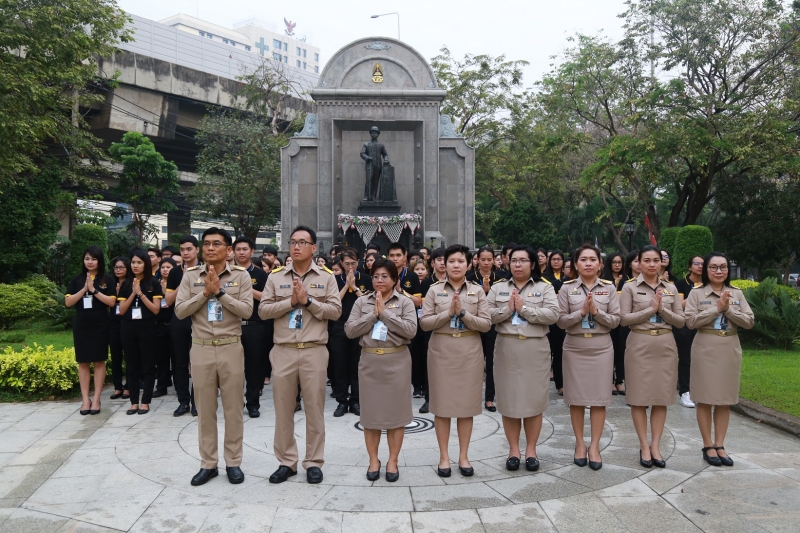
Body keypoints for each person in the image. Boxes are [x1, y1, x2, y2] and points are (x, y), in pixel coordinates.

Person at [259, 226, 342, 485]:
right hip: (283, 350)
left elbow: (335, 312)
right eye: (293, 242)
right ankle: (286, 461)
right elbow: (263, 311)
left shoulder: (326, 277)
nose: (296, 247)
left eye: (303, 242)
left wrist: (307, 302)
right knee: (283, 409)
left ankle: (314, 461)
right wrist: (291, 303)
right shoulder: (275, 277)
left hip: (314, 351)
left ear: (314, 248)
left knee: (314, 410)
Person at [175, 228, 253, 486]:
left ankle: (233, 462)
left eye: (216, 244)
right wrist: (205, 293)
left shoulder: (240, 277)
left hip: (231, 346)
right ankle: (208, 464)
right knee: (205, 410)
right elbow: (180, 311)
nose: (210, 248)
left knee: (233, 409)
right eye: (206, 244)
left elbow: (247, 311)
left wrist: (220, 292)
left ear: (228, 250)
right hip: (201, 348)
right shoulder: (190, 276)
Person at [420, 244, 491, 478]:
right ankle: (443, 456)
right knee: (442, 407)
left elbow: (486, 324)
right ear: (443, 264)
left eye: (461, 261)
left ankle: (463, 456)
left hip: (469, 351)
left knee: (465, 407)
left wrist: (462, 313)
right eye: (451, 261)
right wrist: (448, 313)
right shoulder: (433, 291)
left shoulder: (477, 291)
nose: (456, 265)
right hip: (442, 351)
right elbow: (425, 323)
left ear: (469, 264)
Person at [344, 258, 417, 482]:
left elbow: (410, 331)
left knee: (396, 415)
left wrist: (385, 313)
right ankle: (373, 459)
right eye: (375, 276)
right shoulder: (361, 302)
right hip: (369, 362)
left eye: (385, 276)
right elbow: (350, 330)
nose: (379, 280)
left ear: (395, 280)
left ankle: (392, 460)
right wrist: (373, 314)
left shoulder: (404, 302)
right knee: (371, 415)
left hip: (397, 362)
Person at [488, 246, 559, 471]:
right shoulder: (499, 287)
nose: (517, 265)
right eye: (514, 260)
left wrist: (525, 309)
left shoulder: (544, 287)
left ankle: (531, 450)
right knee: (509, 402)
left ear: (532, 264)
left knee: (533, 402)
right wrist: (508, 310)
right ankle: (513, 451)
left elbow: (553, 315)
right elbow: (486, 315)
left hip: (535, 348)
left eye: (523, 260)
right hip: (507, 348)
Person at [685, 252, 754, 467]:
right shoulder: (697, 293)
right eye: (713, 267)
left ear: (728, 270)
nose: (718, 271)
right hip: (705, 346)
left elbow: (749, 321)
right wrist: (716, 309)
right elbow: (690, 322)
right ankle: (707, 444)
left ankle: (720, 443)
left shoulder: (736, 293)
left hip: (729, 347)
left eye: (723, 267)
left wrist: (729, 310)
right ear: (706, 270)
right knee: (704, 398)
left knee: (725, 400)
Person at [620, 245, 685, 468]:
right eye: (646, 260)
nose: (651, 264)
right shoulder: (629, 287)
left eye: (655, 260)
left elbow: (680, 320)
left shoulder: (671, 288)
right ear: (638, 263)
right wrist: (650, 309)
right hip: (639, 343)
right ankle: (644, 445)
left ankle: (656, 445)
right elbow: (624, 319)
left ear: (661, 263)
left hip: (665, 344)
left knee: (661, 397)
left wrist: (662, 310)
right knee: (639, 398)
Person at [557, 244, 620, 471]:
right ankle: (580, 444)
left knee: (598, 398)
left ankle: (594, 446)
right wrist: (581, 313)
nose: (588, 263)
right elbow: (561, 321)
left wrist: (596, 312)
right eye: (583, 259)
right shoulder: (566, 289)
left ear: (600, 264)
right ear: (575, 264)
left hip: (601, 347)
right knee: (576, 399)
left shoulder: (609, 289)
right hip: (574, 347)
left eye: (593, 259)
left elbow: (615, 321)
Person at [65, 246, 117, 415]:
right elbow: (69, 302)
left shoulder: (107, 279)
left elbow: (110, 302)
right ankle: (85, 399)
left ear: (99, 261)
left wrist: (94, 290)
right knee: (83, 361)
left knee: (99, 360)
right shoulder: (77, 279)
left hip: (100, 323)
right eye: (87, 258)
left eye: (93, 259)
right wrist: (84, 289)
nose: (90, 262)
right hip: (82, 323)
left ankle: (96, 399)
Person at [117, 248, 163, 416]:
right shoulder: (126, 284)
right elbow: (121, 310)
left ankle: (145, 401)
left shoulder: (153, 283)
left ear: (146, 264)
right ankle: (134, 402)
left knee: (148, 365)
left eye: (139, 262)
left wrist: (141, 294)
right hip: (128, 327)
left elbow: (156, 310)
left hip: (147, 327)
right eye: (133, 262)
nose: (135, 265)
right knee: (131, 365)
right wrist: (132, 293)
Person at [330, 248, 372, 417]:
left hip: (359, 326)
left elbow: (367, 303)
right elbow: (333, 303)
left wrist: (354, 287)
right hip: (338, 326)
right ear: (341, 263)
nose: (350, 267)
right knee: (339, 365)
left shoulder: (367, 279)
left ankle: (356, 400)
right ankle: (342, 401)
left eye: (353, 263)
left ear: (358, 262)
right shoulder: (333, 280)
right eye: (346, 264)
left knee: (357, 364)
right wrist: (346, 285)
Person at [233, 236, 270, 418]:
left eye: (244, 249)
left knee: (255, 367)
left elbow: (265, 298)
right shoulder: (227, 273)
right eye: (238, 249)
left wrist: (245, 287)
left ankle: (253, 403)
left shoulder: (260, 274)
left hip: (254, 325)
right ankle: (235, 403)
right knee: (233, 369)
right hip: (232, 326)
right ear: (233, 252)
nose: (241, 252)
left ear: (252, 251)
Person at [165, 235, 201, 417]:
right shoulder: (174, 272)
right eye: (182, 250)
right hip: (179, 318)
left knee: (198, 363)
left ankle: (197, 402)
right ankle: (183, 401)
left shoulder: (206, 269)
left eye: (189, 249)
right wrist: (184, 280)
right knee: (179, 362)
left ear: (197, 250)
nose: (185, 253)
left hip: (199, 320)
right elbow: (169, 300)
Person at [466, 246, 503, 412]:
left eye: (490, 259)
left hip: (492, 326)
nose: (486, 263)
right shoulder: (469, 278)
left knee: (491, 363)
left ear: (494, 260)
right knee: (471, 362)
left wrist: (487, 292)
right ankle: (469, 395)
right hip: (472, 324)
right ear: (477, 260)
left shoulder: (501, 279)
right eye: (483, 259)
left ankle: (489, 398)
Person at [416, 247, 447, 413]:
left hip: (451, 328)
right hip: (431, 328)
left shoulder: (456, 281)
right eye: (439, 260)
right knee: (430, 363)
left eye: (445, 259)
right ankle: (429, 399)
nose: (442, 263)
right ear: (432, 263)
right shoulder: (428, 283)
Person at [674, 255, 705, 408]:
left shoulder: (708, 284)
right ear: (689, 267)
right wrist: (695, 293)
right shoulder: (681, 284)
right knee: (686, 359)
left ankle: (698, 391)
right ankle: (685, 392)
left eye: (702, 264)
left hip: (703, 326)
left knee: (700, 360)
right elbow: (679, 305)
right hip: (685, 326)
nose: (700, 266)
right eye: (697, 263)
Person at [152, 257, 177, 397]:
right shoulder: (154, 284)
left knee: (176, 359)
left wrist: (167, 292)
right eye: (163, 267)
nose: (165, 269)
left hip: (174, 326)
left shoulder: (176, 283)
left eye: (168, 267)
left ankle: (179, 386)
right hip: (159, 326)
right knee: (161, 359)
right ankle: (161, 386)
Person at [543, 251, 567, 396]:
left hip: (564, 320)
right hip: (550, 320)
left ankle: (564, 382)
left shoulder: (567, 279)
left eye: (559, 259)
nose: (556, 262)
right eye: (554, 259)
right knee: (551, 352)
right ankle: (554, 381)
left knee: (562, 353)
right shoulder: (546, 279)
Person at [109, 257, 131, 400]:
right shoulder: (110, 282)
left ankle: (129, 386)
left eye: (121, 267)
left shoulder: (131, 283)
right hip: (113, 322)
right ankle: (117, 386)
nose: (118, 270)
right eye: (116, 267)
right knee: (115, 355)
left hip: (128, 321)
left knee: (129, 355)